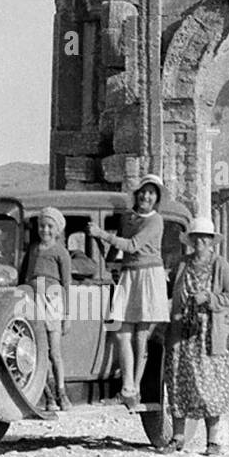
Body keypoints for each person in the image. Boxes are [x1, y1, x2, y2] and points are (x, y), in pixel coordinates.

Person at [88, 173, 170, 411]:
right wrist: (104, 265)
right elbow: (120, 245)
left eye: (151, 193)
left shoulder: (156, 221)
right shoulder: (128, 218)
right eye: (143, 191)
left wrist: (102, 234)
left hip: (148, 277)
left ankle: (134, 388)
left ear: (156, 198)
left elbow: (132, 245)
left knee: (140, 337)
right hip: (128, 276)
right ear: (137, 194)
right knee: (121, 333)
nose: (146, 196)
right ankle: (127, 388)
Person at [160, 216, 229, 456]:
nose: (200, 243)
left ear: (211, 242)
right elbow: (168, 289)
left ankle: (213, 441)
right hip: (181, 334)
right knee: (177, 383)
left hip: (207, 336)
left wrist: (210, 299)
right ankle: (177, 437)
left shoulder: (220, 266)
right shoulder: (182, 264)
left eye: (204, 239)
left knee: (209, 387)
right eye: (196, 239)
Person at [22, 207, 71, 412]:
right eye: (42, 225)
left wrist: (67, 315)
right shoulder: (33, 249)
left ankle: (62, 393)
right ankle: (48, 396)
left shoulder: (61, 252)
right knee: (38, 351)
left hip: (53, 300)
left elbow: (66, 283)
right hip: (34, 299)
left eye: (50, 226)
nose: (46, 230)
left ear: (57, 230)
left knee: (54, 352)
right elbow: (25, 277)